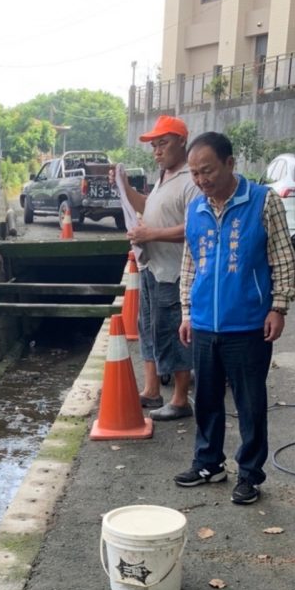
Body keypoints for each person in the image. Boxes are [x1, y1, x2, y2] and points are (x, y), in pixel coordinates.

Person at [175, 132, 295, 505]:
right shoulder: (195, 208)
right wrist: (186, 311)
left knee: (250, 404)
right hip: (203, 325)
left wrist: (278, 307)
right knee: (207, 398)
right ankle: (208, 463)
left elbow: (283, 259)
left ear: (230, 163)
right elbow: (190, 265)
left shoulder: (263, 202)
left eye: (207, 170)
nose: (201, 180)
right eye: (195, 173)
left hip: (247, 324)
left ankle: (249, 474)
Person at [116, 115, 199, 421]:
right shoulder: (165, 177)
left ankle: (179, 399)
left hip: (175, 272)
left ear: (181, 142)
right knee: (149, 328)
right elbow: (147, 206)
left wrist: (150, 234)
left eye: (162, 144)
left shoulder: (192, 180)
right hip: (153, 265)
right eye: (154, 146)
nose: (157, 152)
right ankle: (152, 390)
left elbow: (195, 227)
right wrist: (124, 187)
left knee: (174, 332)